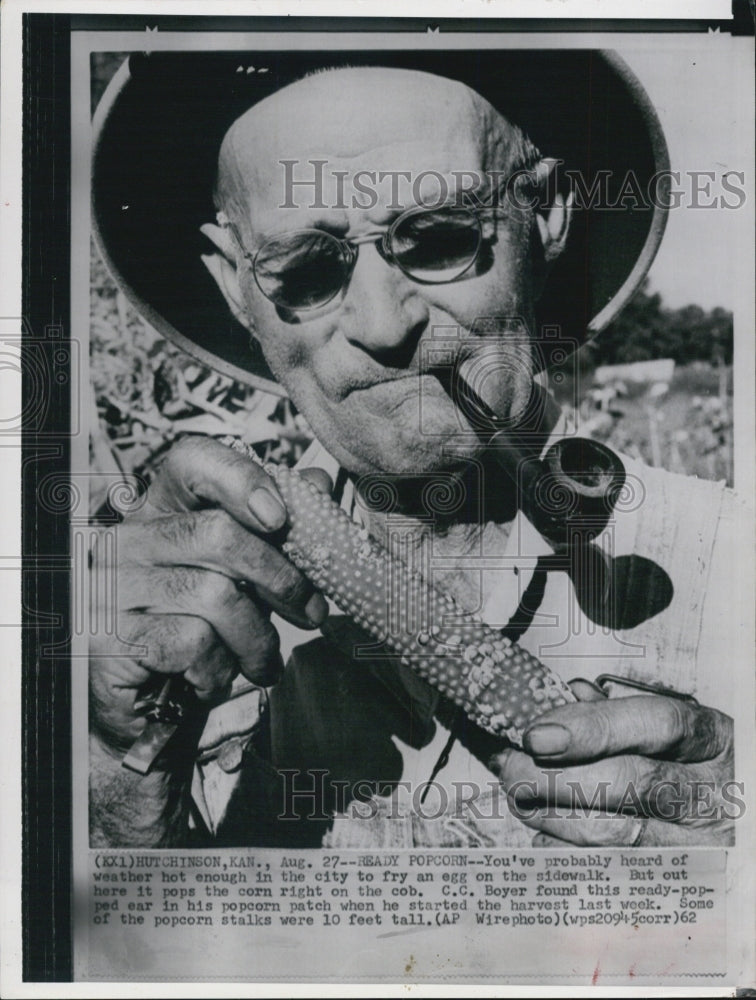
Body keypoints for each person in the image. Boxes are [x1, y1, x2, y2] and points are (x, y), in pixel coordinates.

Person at [89, 51, 745, 849]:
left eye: (439, 237)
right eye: (304, 268)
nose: (382, 324)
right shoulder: (168, 608)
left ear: (548, 215)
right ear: (236, 290)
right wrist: (114, 776)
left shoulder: (732, 565)